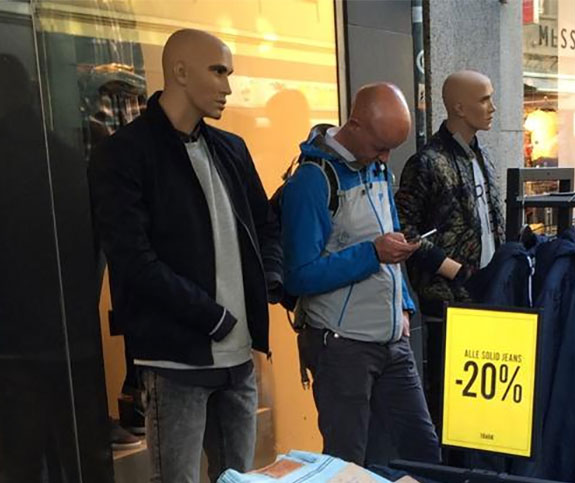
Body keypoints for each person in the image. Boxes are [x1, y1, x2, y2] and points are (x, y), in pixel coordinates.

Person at [88, 29, 282, 483]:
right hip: (174, 359)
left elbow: (266, 225)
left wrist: (270, 277)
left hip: (238, 357)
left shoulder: (231, 148)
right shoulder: (124, 153)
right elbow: (132, 259)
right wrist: (211, 316)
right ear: (179, 71)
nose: (227, 87)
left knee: (239, 478)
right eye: (218, 71)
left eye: (228, 73)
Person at [280, 82, 441, 466]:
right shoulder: (312, 180)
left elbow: (390, 235)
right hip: (341, 345)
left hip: (390, 338)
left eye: (391, 149)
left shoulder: (376, 167)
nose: (385, 157)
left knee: (423, 453)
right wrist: (373, 253)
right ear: (354, 125)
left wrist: (404, 305)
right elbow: (298, 276)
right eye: (380, 146)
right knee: (347, 462)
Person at [395, 70, 506, 431]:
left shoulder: (482, 156)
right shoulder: (427, 162)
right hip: (448, 303)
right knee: (450, 402)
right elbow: (403, 229)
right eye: (484, 99)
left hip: (489, 294)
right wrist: (453, 270)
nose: (492, 107)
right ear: (459, 107)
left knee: (486, 407)